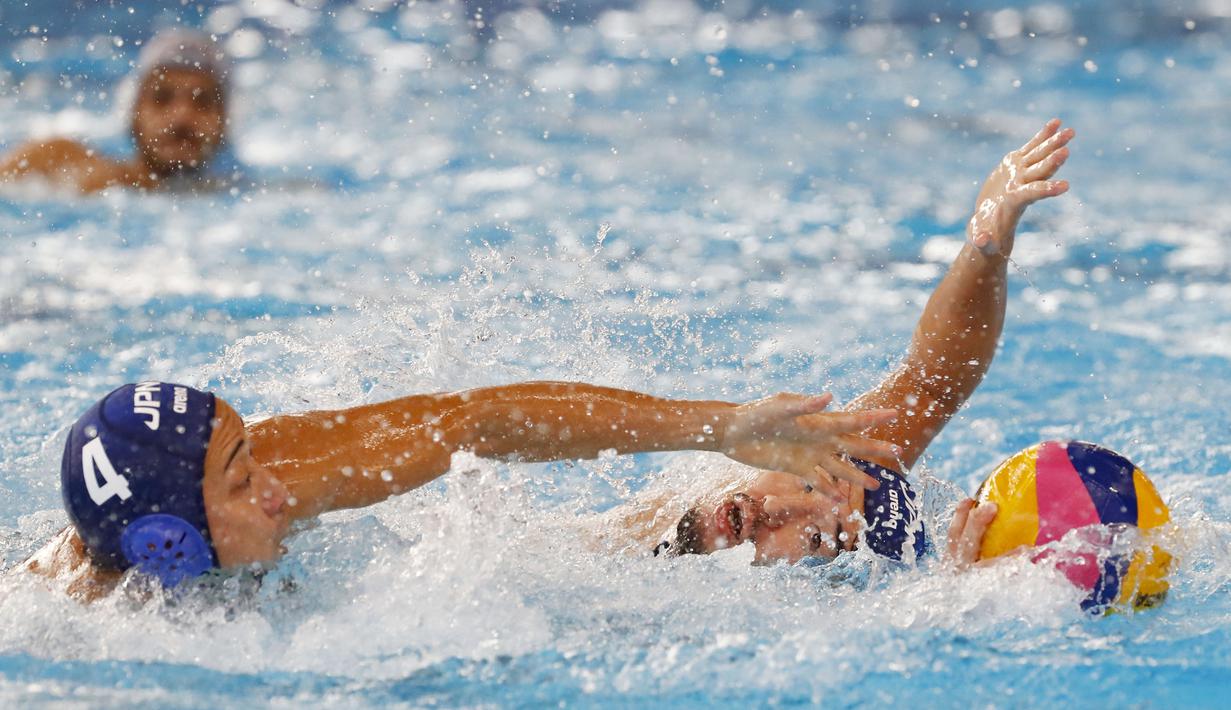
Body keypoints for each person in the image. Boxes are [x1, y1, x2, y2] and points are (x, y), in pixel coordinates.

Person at [634, 119, 1075, 567]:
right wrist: (983, 252)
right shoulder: (717, 473)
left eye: (815, 540)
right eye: (809, 481)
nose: (773, 510)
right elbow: (932, 383)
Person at [20, 379, 898, 600]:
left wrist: (716, 424)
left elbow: (470, 421)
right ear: (168, 547)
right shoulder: (73, 644)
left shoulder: (287, 469)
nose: (281, 488)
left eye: (255, 454)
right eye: (243, 482)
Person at [0, 30, 229, 193]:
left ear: (224, 120)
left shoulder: (233, 194)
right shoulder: (60, 162)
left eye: (203, 103)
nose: (182, 116)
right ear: (134, 112)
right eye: (162, 99)